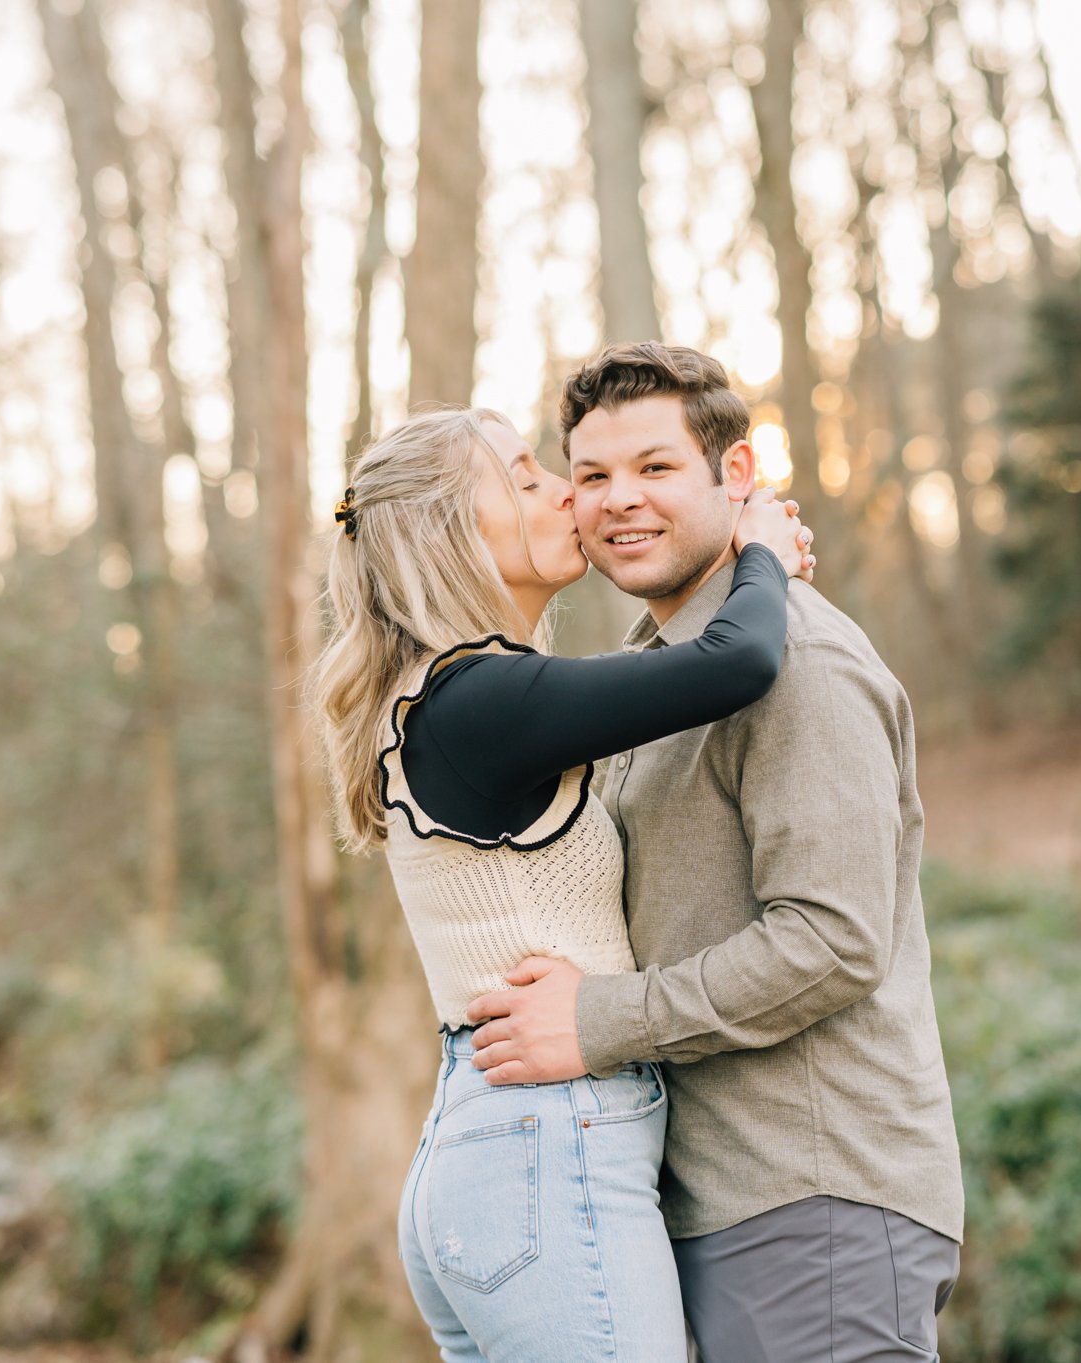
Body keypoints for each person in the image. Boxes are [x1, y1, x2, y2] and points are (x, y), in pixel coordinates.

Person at [464, 343, 965, 1362]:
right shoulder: (662, 679)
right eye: (592, 474)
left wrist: (598, 1019)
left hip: (814, 1196)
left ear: (735, 479)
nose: (617, 501)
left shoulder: (799, 670)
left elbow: (829, 942)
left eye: (655, 468)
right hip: (714, 1204)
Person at [306, 403, 815, 1363]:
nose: (567, 493)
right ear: (459, 529)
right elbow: (737, 659)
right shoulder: (479, 699)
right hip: (544, 1150)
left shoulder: (461, 697)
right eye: (529, 475)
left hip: (502, 1154)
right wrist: (763, 556)